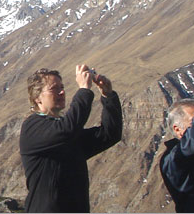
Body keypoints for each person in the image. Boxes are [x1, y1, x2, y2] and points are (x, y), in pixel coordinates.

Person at [19, 65, 123, 212]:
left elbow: (109, 135)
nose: (62, 92)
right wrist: (84, 90)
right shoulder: (33, 127)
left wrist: (108, 96)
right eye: (54, 88)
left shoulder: (63, 132)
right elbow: (67, 129)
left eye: (62, 87)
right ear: (37, 98)